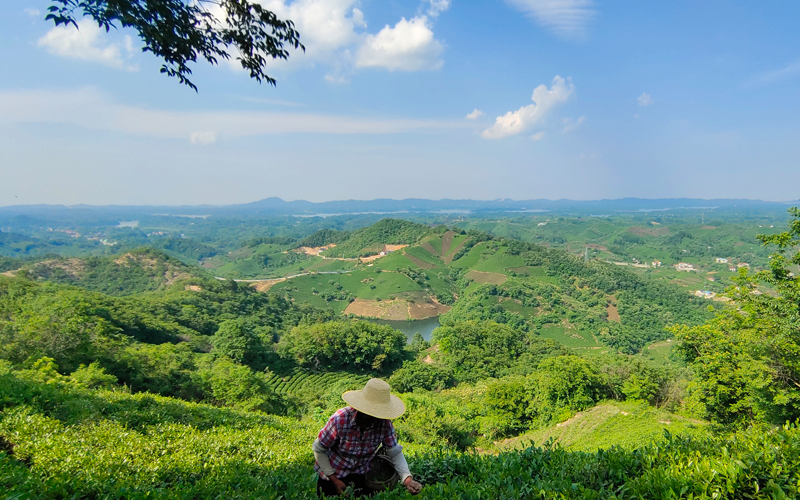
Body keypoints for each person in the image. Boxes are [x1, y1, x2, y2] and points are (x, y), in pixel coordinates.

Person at [312, 378, 423, 497]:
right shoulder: (340, 420)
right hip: (331, 474)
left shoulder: (384, 424)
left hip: (360, 475)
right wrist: (334, 480)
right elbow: (319, 449)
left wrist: (407, 479)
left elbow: (394, 452)